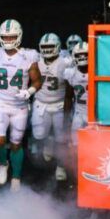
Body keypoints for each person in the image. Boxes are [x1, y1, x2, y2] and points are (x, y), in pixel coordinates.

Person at [0, 19, 42, 191]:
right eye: (5, 37)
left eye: (11, 36)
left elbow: (38, 80)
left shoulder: (28, 56)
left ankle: (16, 175)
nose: (8, 40)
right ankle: (3, 163)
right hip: (0, 104)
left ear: (19, 36)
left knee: (16, 144)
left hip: (19, 107)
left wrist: (29, 91)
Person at [31, 33, 72, 181]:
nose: (47, 50)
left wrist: (67, 110)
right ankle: (48, 139)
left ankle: (60, 166)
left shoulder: (65, 63)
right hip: (41, 103)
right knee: (39, 134)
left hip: (59, 104)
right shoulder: (36, 61)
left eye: (50, 46)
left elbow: (69, 90)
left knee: (62, 139)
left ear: (58, 47)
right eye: (44, 47)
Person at [64, 41, 89, 146]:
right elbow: (68, 97)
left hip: (94, 114)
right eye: (79, 55)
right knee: (76, 145)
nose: (82, 57)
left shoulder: (97, 71)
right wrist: (66, 118)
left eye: (85, 54)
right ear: (74, 56)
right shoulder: (70, 73)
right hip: (78, 113)